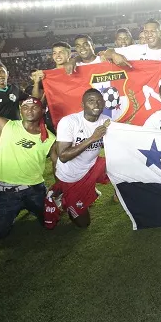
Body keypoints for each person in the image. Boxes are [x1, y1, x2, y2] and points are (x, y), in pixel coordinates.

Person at [0, 81, 56, 239]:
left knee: (51, 222)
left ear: (43, 110)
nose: (29, 110)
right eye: (25, 107)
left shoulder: (50, 138)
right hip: (6, 192)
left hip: (35, 190)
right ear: (20, 111)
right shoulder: (4, 125)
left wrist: (60, 188)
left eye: (34, 106)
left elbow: (58, 164)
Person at [53, 89, 111, 227]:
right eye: (91, 101)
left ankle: (103, 191)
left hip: (92, 165)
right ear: (83, 105)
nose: (96, 104)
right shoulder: (69, 122)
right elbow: (63, 156)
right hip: (72, 176)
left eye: (99, 101)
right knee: (83, 223)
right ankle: (63, 198)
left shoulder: (106, 121)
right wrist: (92, 138)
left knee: (121, 167)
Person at [0, 61, 37, 178]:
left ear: (8, 73)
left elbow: (33, 100)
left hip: (18, 133)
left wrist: (37, 83)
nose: (0, 75)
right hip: (0, 136)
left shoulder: (14, 88)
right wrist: (0, 140)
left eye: (2, 71)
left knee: (22, 165)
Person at [97, 19, 161, 66]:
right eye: (146, 32)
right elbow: (108, 52)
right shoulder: (136, 49)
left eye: (153, 31)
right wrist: (113, 55)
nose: (149, 34)